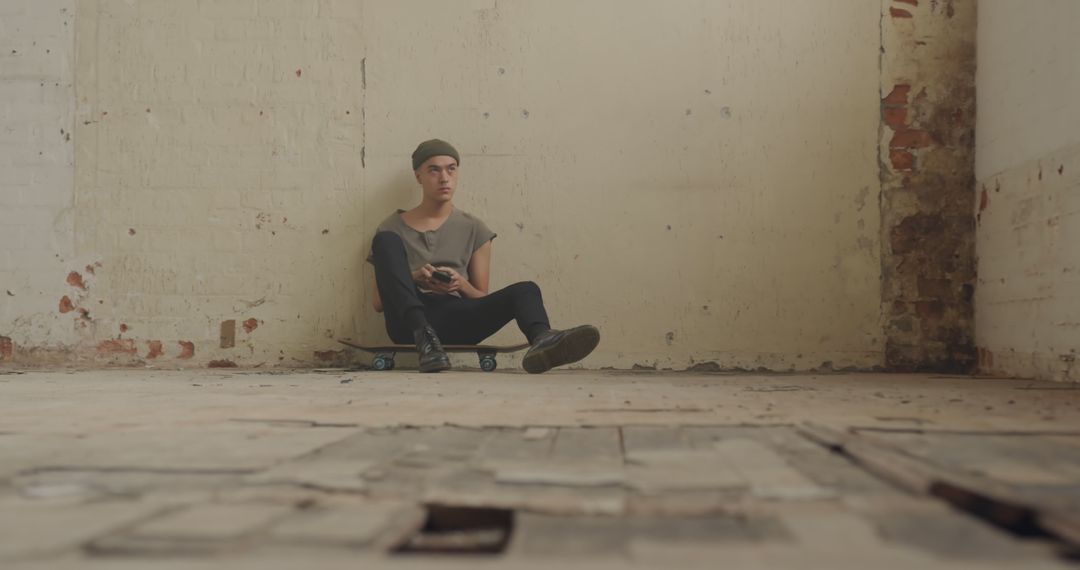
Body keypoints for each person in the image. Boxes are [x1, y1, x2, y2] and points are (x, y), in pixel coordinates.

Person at [367, 139, 600, 373]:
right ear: (418, 176)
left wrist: (461, 285)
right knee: (385, 241)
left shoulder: (474, 227)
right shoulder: (391, 227)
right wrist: (414, 278)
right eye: (434, 170)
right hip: (408, 323)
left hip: (455, 317)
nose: (444, 178)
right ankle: (425, 337)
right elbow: (378, 303)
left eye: (451, 168)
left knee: (526, 289)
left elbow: (480, 296)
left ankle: (543, 340)